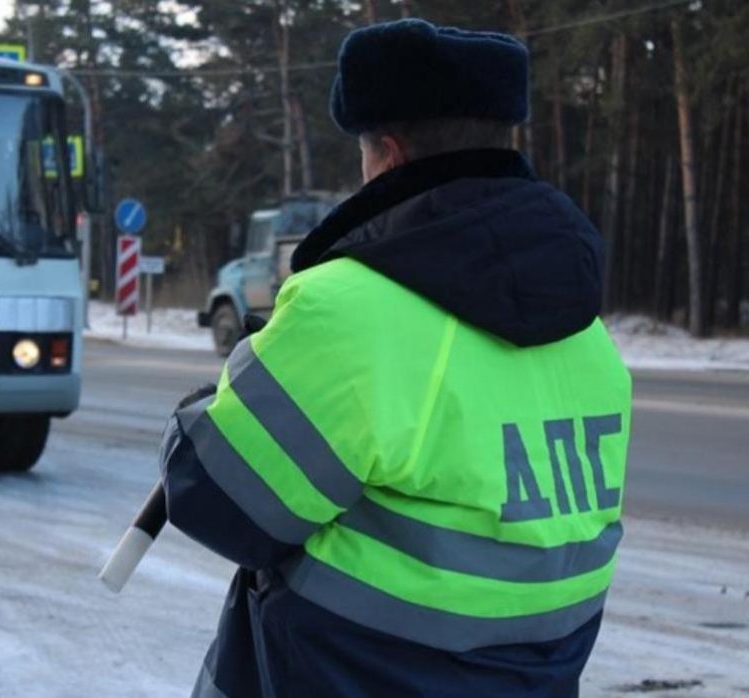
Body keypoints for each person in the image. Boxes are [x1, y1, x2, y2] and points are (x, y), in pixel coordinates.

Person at [159, 18, 631, 697]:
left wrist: (197, 417)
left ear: (389, 155)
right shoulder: (586, 331)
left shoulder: (347, 307)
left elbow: (225, 501)